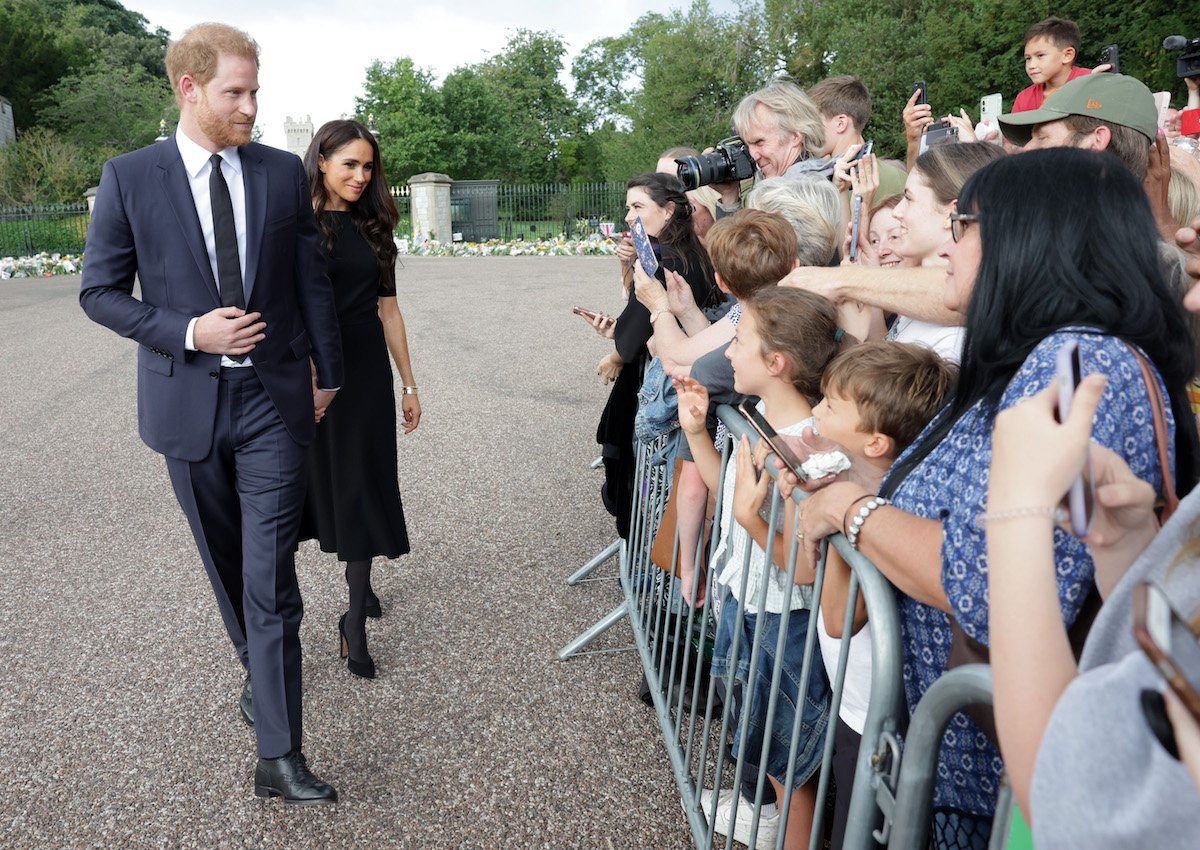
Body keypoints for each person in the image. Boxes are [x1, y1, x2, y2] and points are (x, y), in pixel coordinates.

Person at [794, 148, 1199, 848]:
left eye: (963, 223)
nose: (945, 246)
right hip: (982, 765)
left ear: (1031, 233)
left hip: (1001, 777)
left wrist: (856, 511)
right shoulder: (1051, 350)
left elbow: (987, 583)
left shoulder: (1077, 359)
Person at [79, 23, 342, 804]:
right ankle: (255, 670)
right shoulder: (130, 178)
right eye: (236, 92)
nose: (252, 107)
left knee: (271, 579)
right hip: (185, 406)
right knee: (228, 571)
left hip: (272, 401)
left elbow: (310, 279)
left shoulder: (279, 175)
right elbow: (98, 293)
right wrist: (191, 331)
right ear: (190, 89)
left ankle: (279, 753)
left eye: (256, 90)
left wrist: (328, 369)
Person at [676, 286, 852, 850]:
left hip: (784, 622)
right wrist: (699, 430)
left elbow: (806, 570)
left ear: (776, 364)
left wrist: (753, 522)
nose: (727, 351)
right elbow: (729, 485)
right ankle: (773, 823)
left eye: (739, 340)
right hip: (746, 601)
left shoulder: (813, 453)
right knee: (765, 741)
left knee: (790, 758)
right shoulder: (753, 419)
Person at [798, 342, 957, 850]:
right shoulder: (859, 484)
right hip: (857, 701)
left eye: (830, 403)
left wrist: (838, 515)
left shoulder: (889, 514)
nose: (817, 410)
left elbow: (839, 617)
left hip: (876, 717)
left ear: (875, 442)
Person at [298, 120, 419, 680]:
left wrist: (410, 384)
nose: (360, 176)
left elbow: (389, 310)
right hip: (315, 371)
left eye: (367, 166)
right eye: (349, 163)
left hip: (367, 371)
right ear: (321, 160)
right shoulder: (295, 223)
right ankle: (356, 595)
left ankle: (355, 617)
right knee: (325, 484)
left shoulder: (374, 227)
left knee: (365, 480)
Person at [594, 172, 719, 538]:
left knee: (648, 485)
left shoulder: (666, 257)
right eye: (627, 208)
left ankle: (653, 566)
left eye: (638, 207)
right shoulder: (690, 248)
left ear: (667, 211)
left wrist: (617, 354)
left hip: (665, 384)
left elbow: (636, 331)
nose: (630, 216)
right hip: (679, 374)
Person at [887, 143, 1005, 362]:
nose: (897, 211)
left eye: (909, 198)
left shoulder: (952, 343)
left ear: (950, 213)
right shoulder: (917, 305)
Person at [711, 80, 828, 214]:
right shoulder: (820, 183)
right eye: (747, 145)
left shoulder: (802, 199)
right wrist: (729, 196)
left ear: (795, 136)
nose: (753, 155)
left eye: (759, 142)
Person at [1011, 17, 1091, 113]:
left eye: (1040, 55)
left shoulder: (1092, 83)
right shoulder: (1024, 99)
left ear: (1067, 55)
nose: (1031, 65)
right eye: (1028, 58)